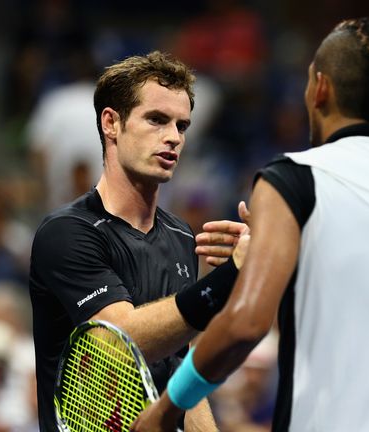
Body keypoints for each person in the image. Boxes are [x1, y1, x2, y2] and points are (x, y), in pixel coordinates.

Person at [133, 18, 369, 431]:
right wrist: (286, 247)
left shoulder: (294, 177)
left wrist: (168, 408)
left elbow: (245, 323)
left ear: (321, 89)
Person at [29, 51, 248, 432]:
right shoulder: (66, 233)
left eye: (182, 126)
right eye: (157, 120)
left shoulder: (182, 236)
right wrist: (231, 275)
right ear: (111, 123)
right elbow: (120, 342)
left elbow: (180, 369)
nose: (173, 138)